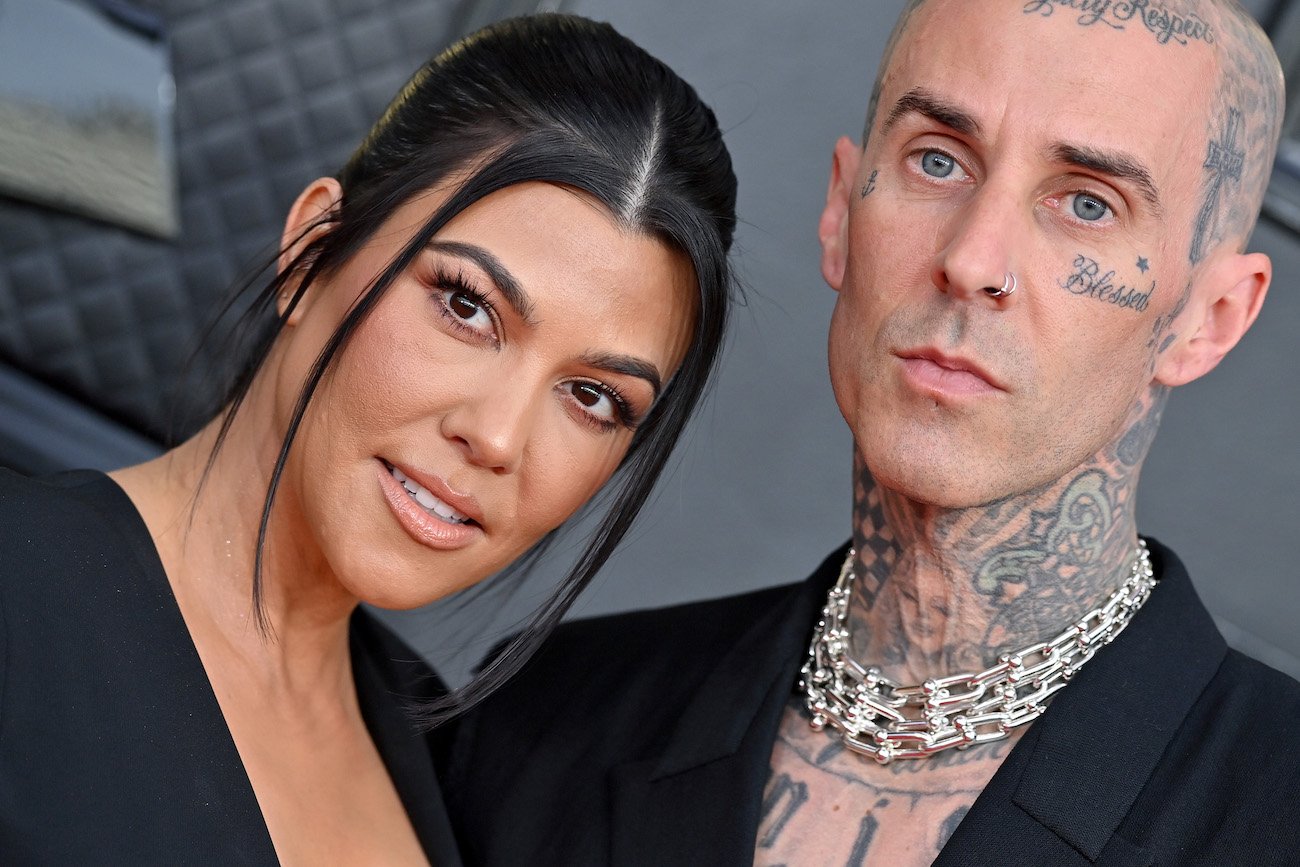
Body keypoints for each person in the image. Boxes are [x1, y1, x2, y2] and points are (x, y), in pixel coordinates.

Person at [435, 1, 1300, 864]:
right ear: (841, 210)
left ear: (1211, 318)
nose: (970, 260)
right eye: (937, 159)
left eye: (1087, 202)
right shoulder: (539, 717)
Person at [0, 13, 737, 865]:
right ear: (313, 252)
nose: (497, 436)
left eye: (593, 397)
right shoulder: (22, 590)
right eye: (467, 306)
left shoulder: (451, 769)